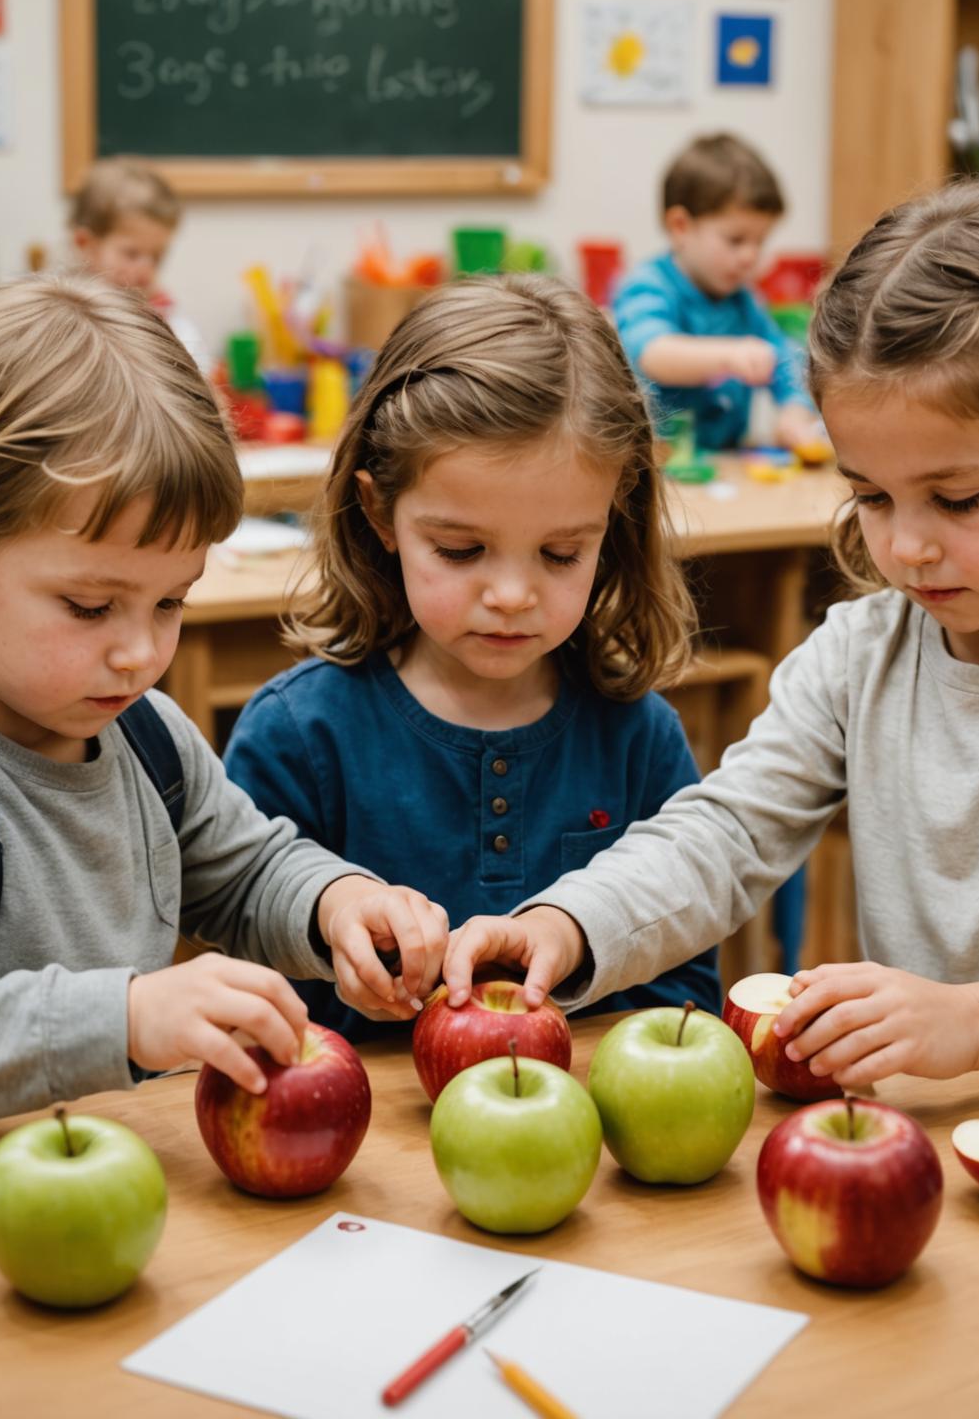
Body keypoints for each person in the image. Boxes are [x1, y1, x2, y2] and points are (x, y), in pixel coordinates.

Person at [446, 180, 979, 1101]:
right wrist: (568, 924)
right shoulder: (861, 655)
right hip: (926, 1147)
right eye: (873, 496)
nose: (907, 546)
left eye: (957, 499)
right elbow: (726, 833)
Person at [0, 275, 441, 1153]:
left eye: (170, 602)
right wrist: (120, 1018)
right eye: (90, 607)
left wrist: (335, 904)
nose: (140, 653)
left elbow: (246, 872)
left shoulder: (147, 735)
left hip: (96, 1184)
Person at [223, 274, 722, 1040]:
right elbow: (243, 979)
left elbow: (684, 995)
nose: (512, 595)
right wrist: (338, 943)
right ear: (380, 513)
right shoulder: (297, 736)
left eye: (561, 553)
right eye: (461, 550)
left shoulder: (640, 739)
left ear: (612, 521)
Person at [613, 132, 823, 453]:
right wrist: (730, 356)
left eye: (760, 242)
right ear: (680, 226)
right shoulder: (648, 285)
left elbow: (783, 359)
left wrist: (795, 411)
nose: (750, 256)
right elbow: (652, 354)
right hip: (658, 466)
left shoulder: (744, 301)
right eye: (736, 240)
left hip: (726, 461)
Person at [69, 157, 210, 370]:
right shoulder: (66, 311)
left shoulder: (162, 311)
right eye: (132, 254)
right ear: (86, 244)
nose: (147, 269)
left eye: (157, 257)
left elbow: (197, 364)